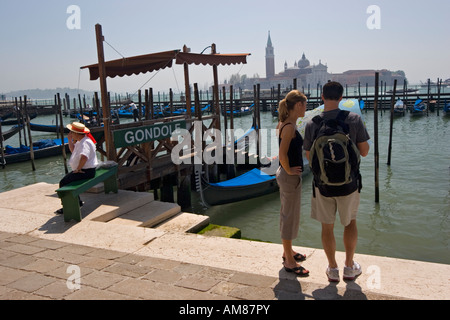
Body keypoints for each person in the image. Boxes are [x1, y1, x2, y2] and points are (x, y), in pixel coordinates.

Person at [303, 81, 370, 282]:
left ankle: (332, 269)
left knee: (327, 227)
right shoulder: (353, 119)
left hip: (323, 186)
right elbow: (365, 152)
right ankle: (349, 267)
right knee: (350, 223)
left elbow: (308, 156)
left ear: (322, 96)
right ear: (341, 98)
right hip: (349, 184)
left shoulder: (312, 123)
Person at [276, 90, 309, 277]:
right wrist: (289, 170)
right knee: (289, 216)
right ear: (298, 105)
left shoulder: (286, 123)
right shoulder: (288, 126)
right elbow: (282, 153)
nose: (306, 108)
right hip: (289, 178)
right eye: (305, 104)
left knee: (289, 214)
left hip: (288, 177)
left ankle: (287, 252)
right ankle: (289, 261)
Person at [55, 122, 99, 215]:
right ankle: (76, 203)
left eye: (72, 132)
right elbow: (73, 151)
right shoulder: (81, 141)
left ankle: (67, 206)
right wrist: (70, 140)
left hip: (86, 171)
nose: (70, 134)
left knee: (63, 182)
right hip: (85, 170)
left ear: (76, 133)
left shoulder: (85, 143)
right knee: (66, 181)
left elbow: (84, 157)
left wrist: (78, 169)